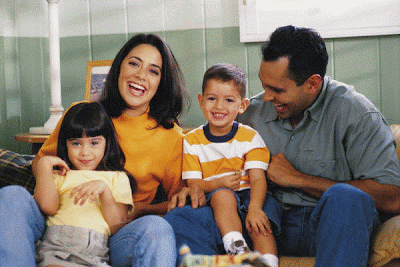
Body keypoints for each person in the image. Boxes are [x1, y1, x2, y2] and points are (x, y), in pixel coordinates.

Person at [165, 25, 400, 266]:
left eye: (277, 89)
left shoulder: (356, 114)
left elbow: (393, 197)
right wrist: (193, 188)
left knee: (346, 198)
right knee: (183, 217)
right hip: (261, 221)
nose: (266, 97)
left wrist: (298, 178)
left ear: (313, 83)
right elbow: (215, 157)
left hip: (325, 227)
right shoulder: (250, 113)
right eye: (264, 85)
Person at [0, 33, 204, 267]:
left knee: (156, 228)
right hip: (57, 226)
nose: (140, 75)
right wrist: (43, 166)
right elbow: (43, 160)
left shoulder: (171, 137)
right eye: (134, 63)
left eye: (153, 71)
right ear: (119, 67)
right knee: (11, 195)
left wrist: (139, 210)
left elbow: (177, 200)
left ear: (162, 82)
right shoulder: (83, 112)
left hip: (116, 234)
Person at [182, 63, 279, 266]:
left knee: (260, 224)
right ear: (201, 101)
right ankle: (238, 248)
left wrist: (254, 207)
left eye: (228, 100)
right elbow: (194, 184)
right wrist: (219, 183)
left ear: (242, 105)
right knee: (223, 195)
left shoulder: (250, 137)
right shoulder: (192, 140)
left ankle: (268, 262)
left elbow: (258, 178)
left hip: (253, 197)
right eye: (211, 98)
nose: (219, 107)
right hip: (217, 200)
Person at [35, 102, 135, 266]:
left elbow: (117, 224)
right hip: (56, 247)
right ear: (65, 144)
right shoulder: (59, 175)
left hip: (95, 252)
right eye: (76, 143)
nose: (85, 152)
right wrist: (44, 165)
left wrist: (104, 191)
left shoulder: (117, 178)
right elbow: (47, 207)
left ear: (107, 143)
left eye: (94, 143)